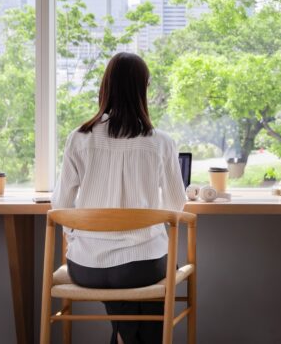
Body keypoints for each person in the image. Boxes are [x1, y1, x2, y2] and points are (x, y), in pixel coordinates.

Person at [52, 52, 187, 344]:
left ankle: (122, 335)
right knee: (161, 265)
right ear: (143, 90)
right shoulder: (161, 142)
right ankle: (130, 337)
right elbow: (177, 207)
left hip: (85, 268)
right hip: (140, 267)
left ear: (105, 86)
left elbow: (59, 206)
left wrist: (77, 239)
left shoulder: (79, 137)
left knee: (130, 270)